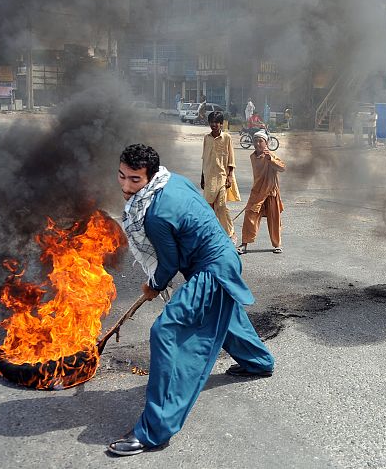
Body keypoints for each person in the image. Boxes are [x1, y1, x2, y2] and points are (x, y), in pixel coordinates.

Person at [108, 144, 274, 456]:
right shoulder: (174, 180)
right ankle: (260, 363)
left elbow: (168, 266)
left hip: (212, 268)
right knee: (226, 315)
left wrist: (153, 286)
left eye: (135, 180)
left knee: (167, 332)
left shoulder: (155, 214)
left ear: (151, 176)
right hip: (221, 257)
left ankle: (155, 431)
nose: (126, 186)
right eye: (122, 177)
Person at [237, 130, 285, 255]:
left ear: (266, 143)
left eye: (260, 141)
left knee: (274, 219)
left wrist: (271, 160)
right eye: (255, 141)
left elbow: (282, 167)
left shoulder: (271, 155)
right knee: (249, 216)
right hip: (257, 191)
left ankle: (277, 244)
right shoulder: (253, 157)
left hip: (271, 192)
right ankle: (244, 244)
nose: (257, 144)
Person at [201, 111, 240, 244]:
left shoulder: (227, 138)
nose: (214, 124)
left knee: (222, 206)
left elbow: (231, 159)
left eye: (216, 122)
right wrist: (202, 176)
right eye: (211, 122)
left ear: (221, 124)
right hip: (208, 178)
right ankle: (211, 234)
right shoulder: (206, 138)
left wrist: (230, 176)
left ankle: (230, 234)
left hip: (222, 177)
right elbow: (204, 158)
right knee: (208, 208)